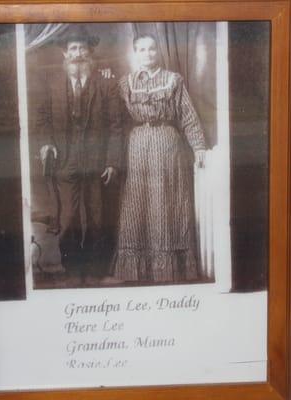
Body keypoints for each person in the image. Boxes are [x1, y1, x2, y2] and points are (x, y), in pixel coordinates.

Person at [112, 33, 206, 283]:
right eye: (142, 50)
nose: (148, 54)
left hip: (167, 144)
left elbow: (188, 116)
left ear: (158, 52)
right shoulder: (125, 84)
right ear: (135, 53)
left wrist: (198, 147)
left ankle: (169, 269)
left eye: (152, 49)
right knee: (137, 200)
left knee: (166, 198)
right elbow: (115, 122)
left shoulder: (173, 81)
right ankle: (136, 271)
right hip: (137, 146)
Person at [38, 25, 123, 283]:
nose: (77, 53)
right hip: (66, 159)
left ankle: (96, 270)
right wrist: (46, 144)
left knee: (97, 217)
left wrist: (112, 162)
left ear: (90, 52)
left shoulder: (105, 84)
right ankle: (72, 269)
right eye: (72, 49)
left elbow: (116, 126)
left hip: (97, 160)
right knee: (69, 217)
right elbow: (43, 121)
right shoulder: (51, 84)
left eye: (82, 48)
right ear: (65, 54)